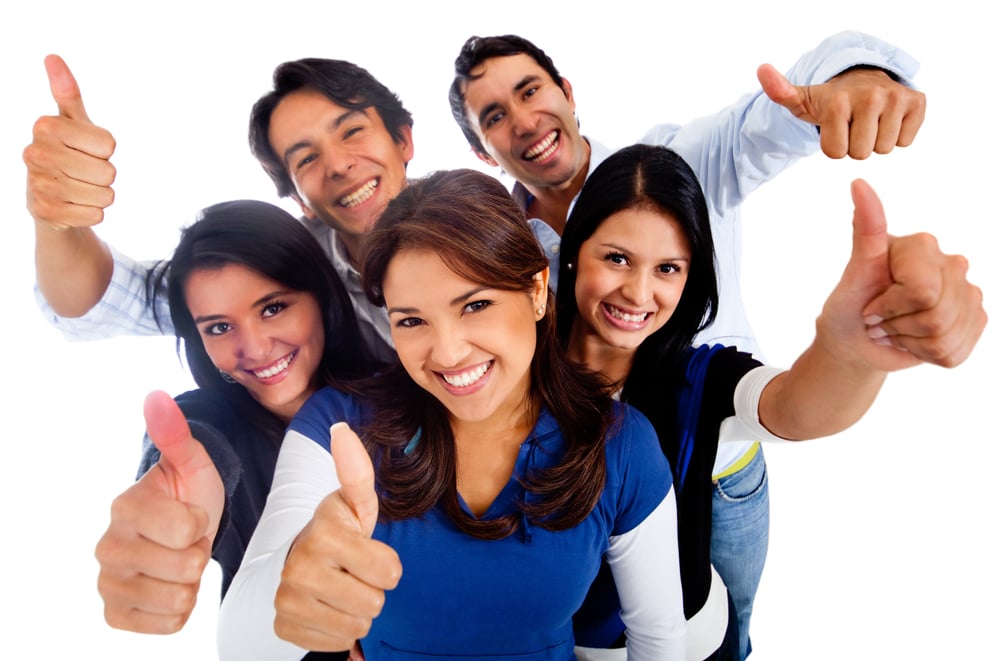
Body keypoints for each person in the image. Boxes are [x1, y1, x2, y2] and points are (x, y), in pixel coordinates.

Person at [448, 31, 931, 658]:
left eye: (529, 90)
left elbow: (789, 406)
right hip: (581, 514)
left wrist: (857, 77)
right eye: (494, 116)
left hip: (721, 470)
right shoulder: (508, 274)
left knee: (724, 625)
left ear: (566, 93)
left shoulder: (679, 171)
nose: (637, 292)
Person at [217, 169, 687, 659]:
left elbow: (658, 640)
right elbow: (238, 648)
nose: (446, 353)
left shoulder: (620, 442)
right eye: (412, 320)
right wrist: (297, 565)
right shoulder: (338, 427)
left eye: (475, 304)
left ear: (534, 291)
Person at [554, 144, 986, 659]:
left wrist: (852, 351)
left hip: (693, 645)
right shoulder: (520, 360)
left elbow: (793, 407)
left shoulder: (700, 375)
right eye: (618, 258)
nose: (638, 292)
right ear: (577, 250)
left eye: (668, 268)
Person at [93, 200, 377, 645]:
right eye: (220, 328)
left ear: (321, 296)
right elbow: (196, 451)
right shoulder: (212, 420)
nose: (257, 348)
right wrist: (175, 513)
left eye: (272, 308)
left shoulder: (400, 392)